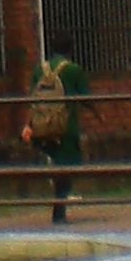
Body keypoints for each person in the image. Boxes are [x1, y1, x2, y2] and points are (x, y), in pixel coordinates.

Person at [20, 54, 86, 226]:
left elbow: (33, 98)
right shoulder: (73, 70)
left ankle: (59, 203)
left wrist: (29, 124)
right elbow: (86, 97)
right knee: (68, 168)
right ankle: (59, 212)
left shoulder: (39, 70)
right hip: (65, 129)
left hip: (41, 127)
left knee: (58, 167)